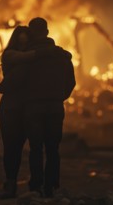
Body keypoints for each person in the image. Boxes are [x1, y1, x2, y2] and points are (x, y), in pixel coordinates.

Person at [0, 25, 62, 199]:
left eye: (26, 42)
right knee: (11, 149)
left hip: (29, 108)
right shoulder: (10, 55)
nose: (23, 45)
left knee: (35, 149)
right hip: (10, 108)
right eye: (20, 41)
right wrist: (50, 52)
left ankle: (35, 186)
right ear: (15, 41)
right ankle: (10, 185)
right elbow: (26, 58)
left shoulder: (33, 58)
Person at [22, 17, 75, 197]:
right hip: (54, 107)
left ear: (31, 34)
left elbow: (19, 83)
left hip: (34, 108)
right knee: (53, 149)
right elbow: (71, 83)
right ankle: (51, 186)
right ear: (47, 32)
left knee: (36, 148)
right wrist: (59, 98)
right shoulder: (62, 56)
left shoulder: (26, 57)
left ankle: (36, 185)